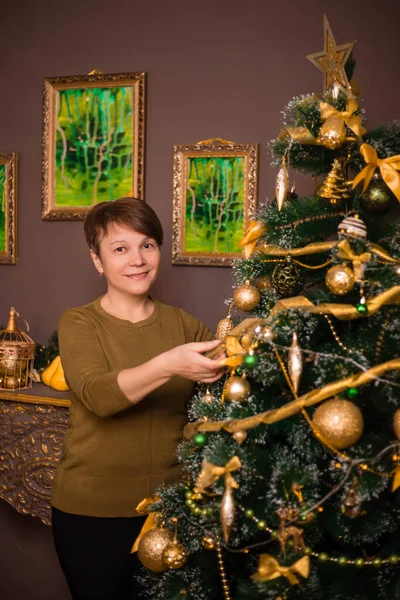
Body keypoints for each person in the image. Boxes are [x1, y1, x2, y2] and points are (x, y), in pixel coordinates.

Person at [51, 197, 225, 600]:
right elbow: (100, 396)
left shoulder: (182, 323)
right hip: (90, 515)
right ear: (97, 261)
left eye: (147, 245)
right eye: (120, 248)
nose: (138, 259)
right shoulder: (79, 322)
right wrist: (169, 364)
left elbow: (227, 367)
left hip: (168, 511)